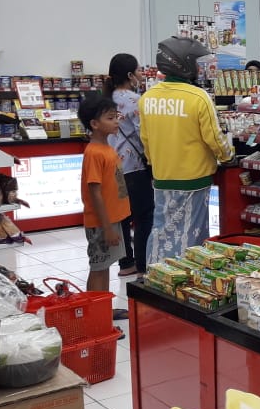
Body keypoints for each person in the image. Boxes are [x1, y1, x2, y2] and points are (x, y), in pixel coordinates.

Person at [140, 36, 234, 265]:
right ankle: (184, 279)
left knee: (162, 231)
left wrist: (155, 164)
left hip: (162, 178)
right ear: (185, 63)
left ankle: (156, 272)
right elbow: (215, 138)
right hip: (194, 180)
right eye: (197, 62)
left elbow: (146, 141)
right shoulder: (198, 97)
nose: (200, 68)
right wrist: (227, 156)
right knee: (190, 236)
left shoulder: (147, 98)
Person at [104, 53, 153, 279]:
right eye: (139, 70)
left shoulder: (105, 99)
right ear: (130, 75)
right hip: (134, 167)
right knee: (144, 215)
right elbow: (144, 134)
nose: (142, 74)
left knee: (122, 216)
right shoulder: (134, 100)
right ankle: (143, 265)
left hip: (112, 166)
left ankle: (126, 263)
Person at [77, 97, 131, 292]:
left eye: (116, 117)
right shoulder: (94, 153)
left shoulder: (106, 148)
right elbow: (95, 192)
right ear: (94, 124)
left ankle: (103, 305)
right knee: (98, 268)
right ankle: (94, 306)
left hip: (111, 219)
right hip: (101, 222)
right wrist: (107, 228)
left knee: (105, 265)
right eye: (110, 118)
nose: (116, 121)